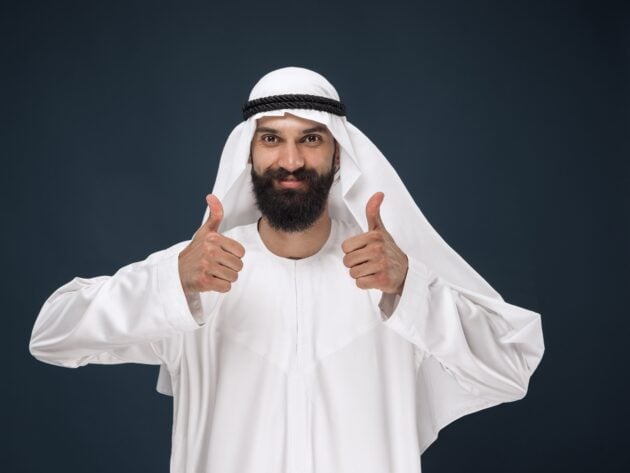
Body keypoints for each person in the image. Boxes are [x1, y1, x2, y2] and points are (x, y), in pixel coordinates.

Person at [29, 66, 545, 473]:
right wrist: (168, 284)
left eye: (311, 139)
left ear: (339, 156)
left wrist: (413, 289)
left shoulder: (388, 276)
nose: (291, 160)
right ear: (248, 155)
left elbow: (512, 366)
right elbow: (52, 335)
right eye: (271, 139)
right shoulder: (199, 271)